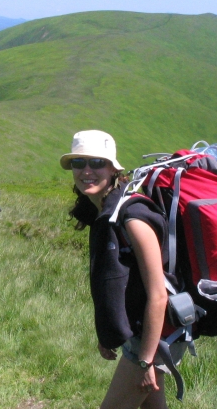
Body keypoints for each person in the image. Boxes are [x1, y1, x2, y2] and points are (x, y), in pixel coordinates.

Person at [60, 130, 185, 409]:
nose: (86, 171)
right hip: (145, 332)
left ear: (114, 168)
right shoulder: (104, 213)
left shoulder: (132, 217)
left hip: (157, 335)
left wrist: (145, 360)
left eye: (96, 162)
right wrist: (108, 333)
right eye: (78, 163)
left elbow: (158, 295)